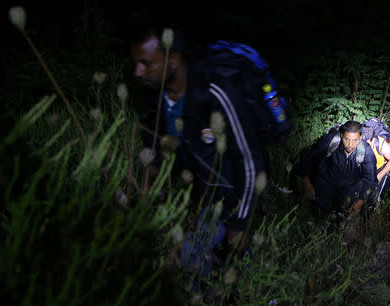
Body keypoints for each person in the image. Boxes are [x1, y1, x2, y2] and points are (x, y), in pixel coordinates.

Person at [129, 25, 275, 256]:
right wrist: (147, 185)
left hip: (232, 190)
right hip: (200, 188)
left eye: (146, 64)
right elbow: (153, 141)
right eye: (136, 63)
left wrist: (241, 222)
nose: (137, 71)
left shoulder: (216, 93)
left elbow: (250, 158)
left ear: (174, 60)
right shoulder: (153, 93)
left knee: (203, 258)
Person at [299, 121, 377, 219]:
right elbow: (308, 157)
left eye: (355, 140)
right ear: (341, 135)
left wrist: (360, 202)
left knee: (342, 216)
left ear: (360, 138)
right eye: (346, 139)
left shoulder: (366, 152)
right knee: (321, 214)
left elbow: (371, 180)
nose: (350, 144)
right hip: (326, 180)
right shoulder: (331, 141)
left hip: (350, 186)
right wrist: (306, 182)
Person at [362, 127, 390, 202]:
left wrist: (380, 176)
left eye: (368, 145)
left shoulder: (380, 144)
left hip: (378, 170)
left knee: (373, 196)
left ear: (372, 141)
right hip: (365, 170)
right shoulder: (356, 142)